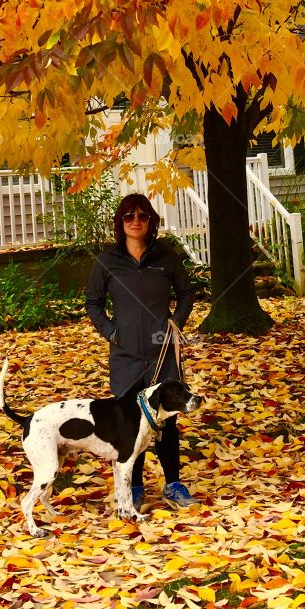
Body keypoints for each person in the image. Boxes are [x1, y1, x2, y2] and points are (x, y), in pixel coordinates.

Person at [85, 193, 197, 509]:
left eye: (142, 216)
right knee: (132, 422)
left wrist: (176, 321)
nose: (136, 221)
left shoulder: (167, 257)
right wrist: (111, 332)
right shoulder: (107, 261)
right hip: (126, 357)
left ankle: (173, 484)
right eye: (129, 216)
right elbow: (92, 303)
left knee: (167, 421)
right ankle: (134, 488)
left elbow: (186, 293)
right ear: (121, 223)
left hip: (162, 354)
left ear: (151, 222)